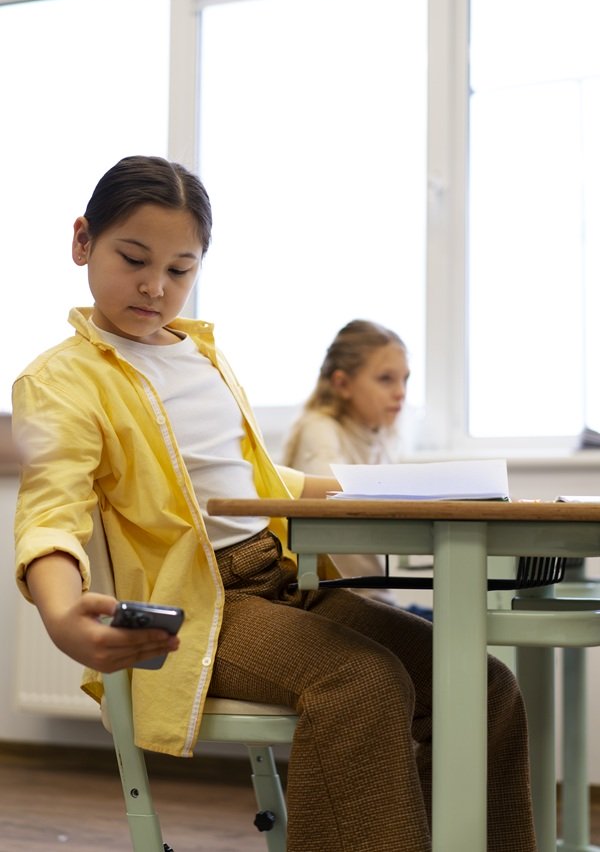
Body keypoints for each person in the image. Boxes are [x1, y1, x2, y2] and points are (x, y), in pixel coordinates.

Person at [13, 156, 536, 852]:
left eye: (180, 269)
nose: (155, 286)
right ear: (83, 241)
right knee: (362, 682)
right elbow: (51, 510)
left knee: (480, 685)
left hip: (285, 578)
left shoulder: (201, 355)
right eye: (133, 259)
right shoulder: (61, 381)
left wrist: (395, 489)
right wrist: (61, 613)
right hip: (207, 604)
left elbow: (255, 479)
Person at [283, 320, 411, 601]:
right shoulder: (320, 429)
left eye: (405, 379)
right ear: (342, 384)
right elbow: (336, 503)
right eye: (386, 379)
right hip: (338, 599)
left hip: (373, 596)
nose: (401, 391)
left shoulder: (379, 437)